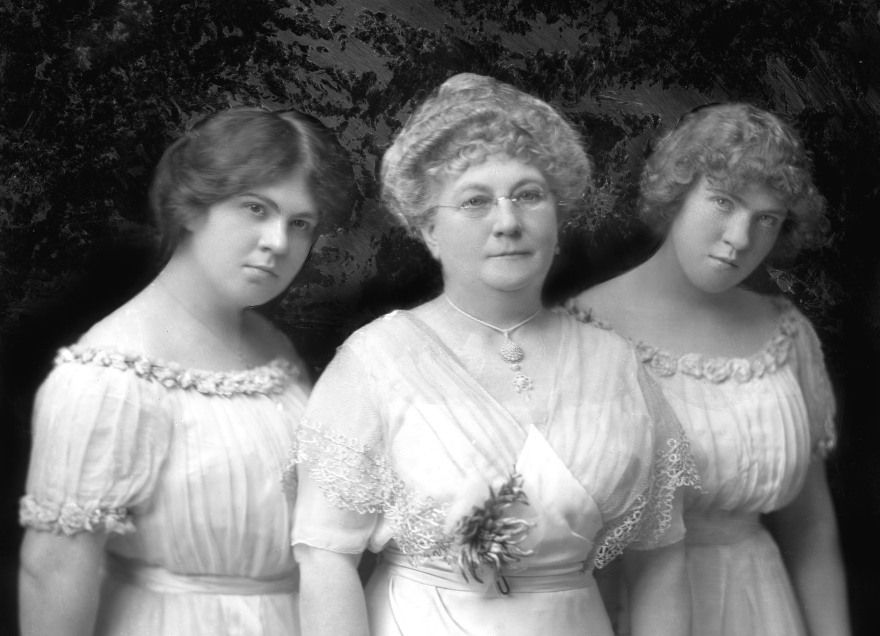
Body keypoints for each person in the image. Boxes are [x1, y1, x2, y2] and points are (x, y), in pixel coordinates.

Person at [287, 73, 700, 636]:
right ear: (430, 229)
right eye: (476, 201)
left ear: (558, 213)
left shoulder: (615, 364)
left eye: (529, 195)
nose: (508, 222)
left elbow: (662, 556)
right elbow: (326, 557)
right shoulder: (377, 360)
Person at [18, 107, 355, 636]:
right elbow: (52, 571)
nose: (278, 242)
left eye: (300, 223)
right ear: (193, 207)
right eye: (254, 209)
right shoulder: (111, 375)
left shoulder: (273, 346)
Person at [567, 103, 850, 636]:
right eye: (723, 202)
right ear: (678, 192)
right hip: (624, 611)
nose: (739, 239)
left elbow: (810, 529)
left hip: (764, 608)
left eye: (766, 219)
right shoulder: (581, 332)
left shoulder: (787, 332)